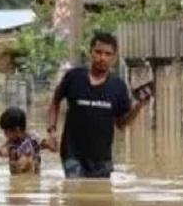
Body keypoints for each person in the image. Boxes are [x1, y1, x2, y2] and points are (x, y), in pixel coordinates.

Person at [45, 32, 150, 179]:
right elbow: (55, 102)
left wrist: (139, 106)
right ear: (90, 53)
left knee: (101, 198)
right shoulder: (73, 77)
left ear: (114, 58)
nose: (102, 58)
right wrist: (51, 131)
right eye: (98, 52)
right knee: (74, 193)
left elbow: (121, 124)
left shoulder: (118, 86)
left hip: (102, 160)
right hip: (72, 154)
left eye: (108, 54)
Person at [0, 106, 50, 175]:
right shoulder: (12, 140)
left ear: (17, 130)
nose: (5, 134)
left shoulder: (29, 143)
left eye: (6, 131)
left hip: (27, 178)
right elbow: (0, 148)